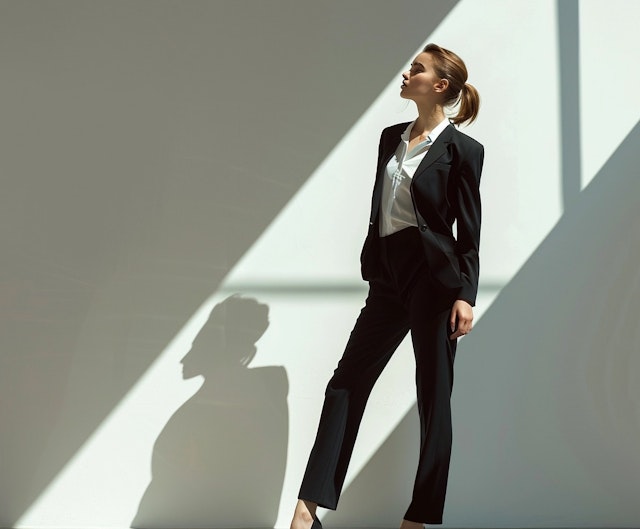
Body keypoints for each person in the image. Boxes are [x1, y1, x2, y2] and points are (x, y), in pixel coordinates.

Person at [290, 43, 484, 529]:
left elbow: (469, 230)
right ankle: (306, 510)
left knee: (433, 396)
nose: (407, 72)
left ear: (439, 85)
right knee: (347, 383)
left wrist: (466, 293)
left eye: (416, 69)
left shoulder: (463, 150)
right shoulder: (390, 138)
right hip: (388, 276)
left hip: (435, 281)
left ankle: (418, 519)